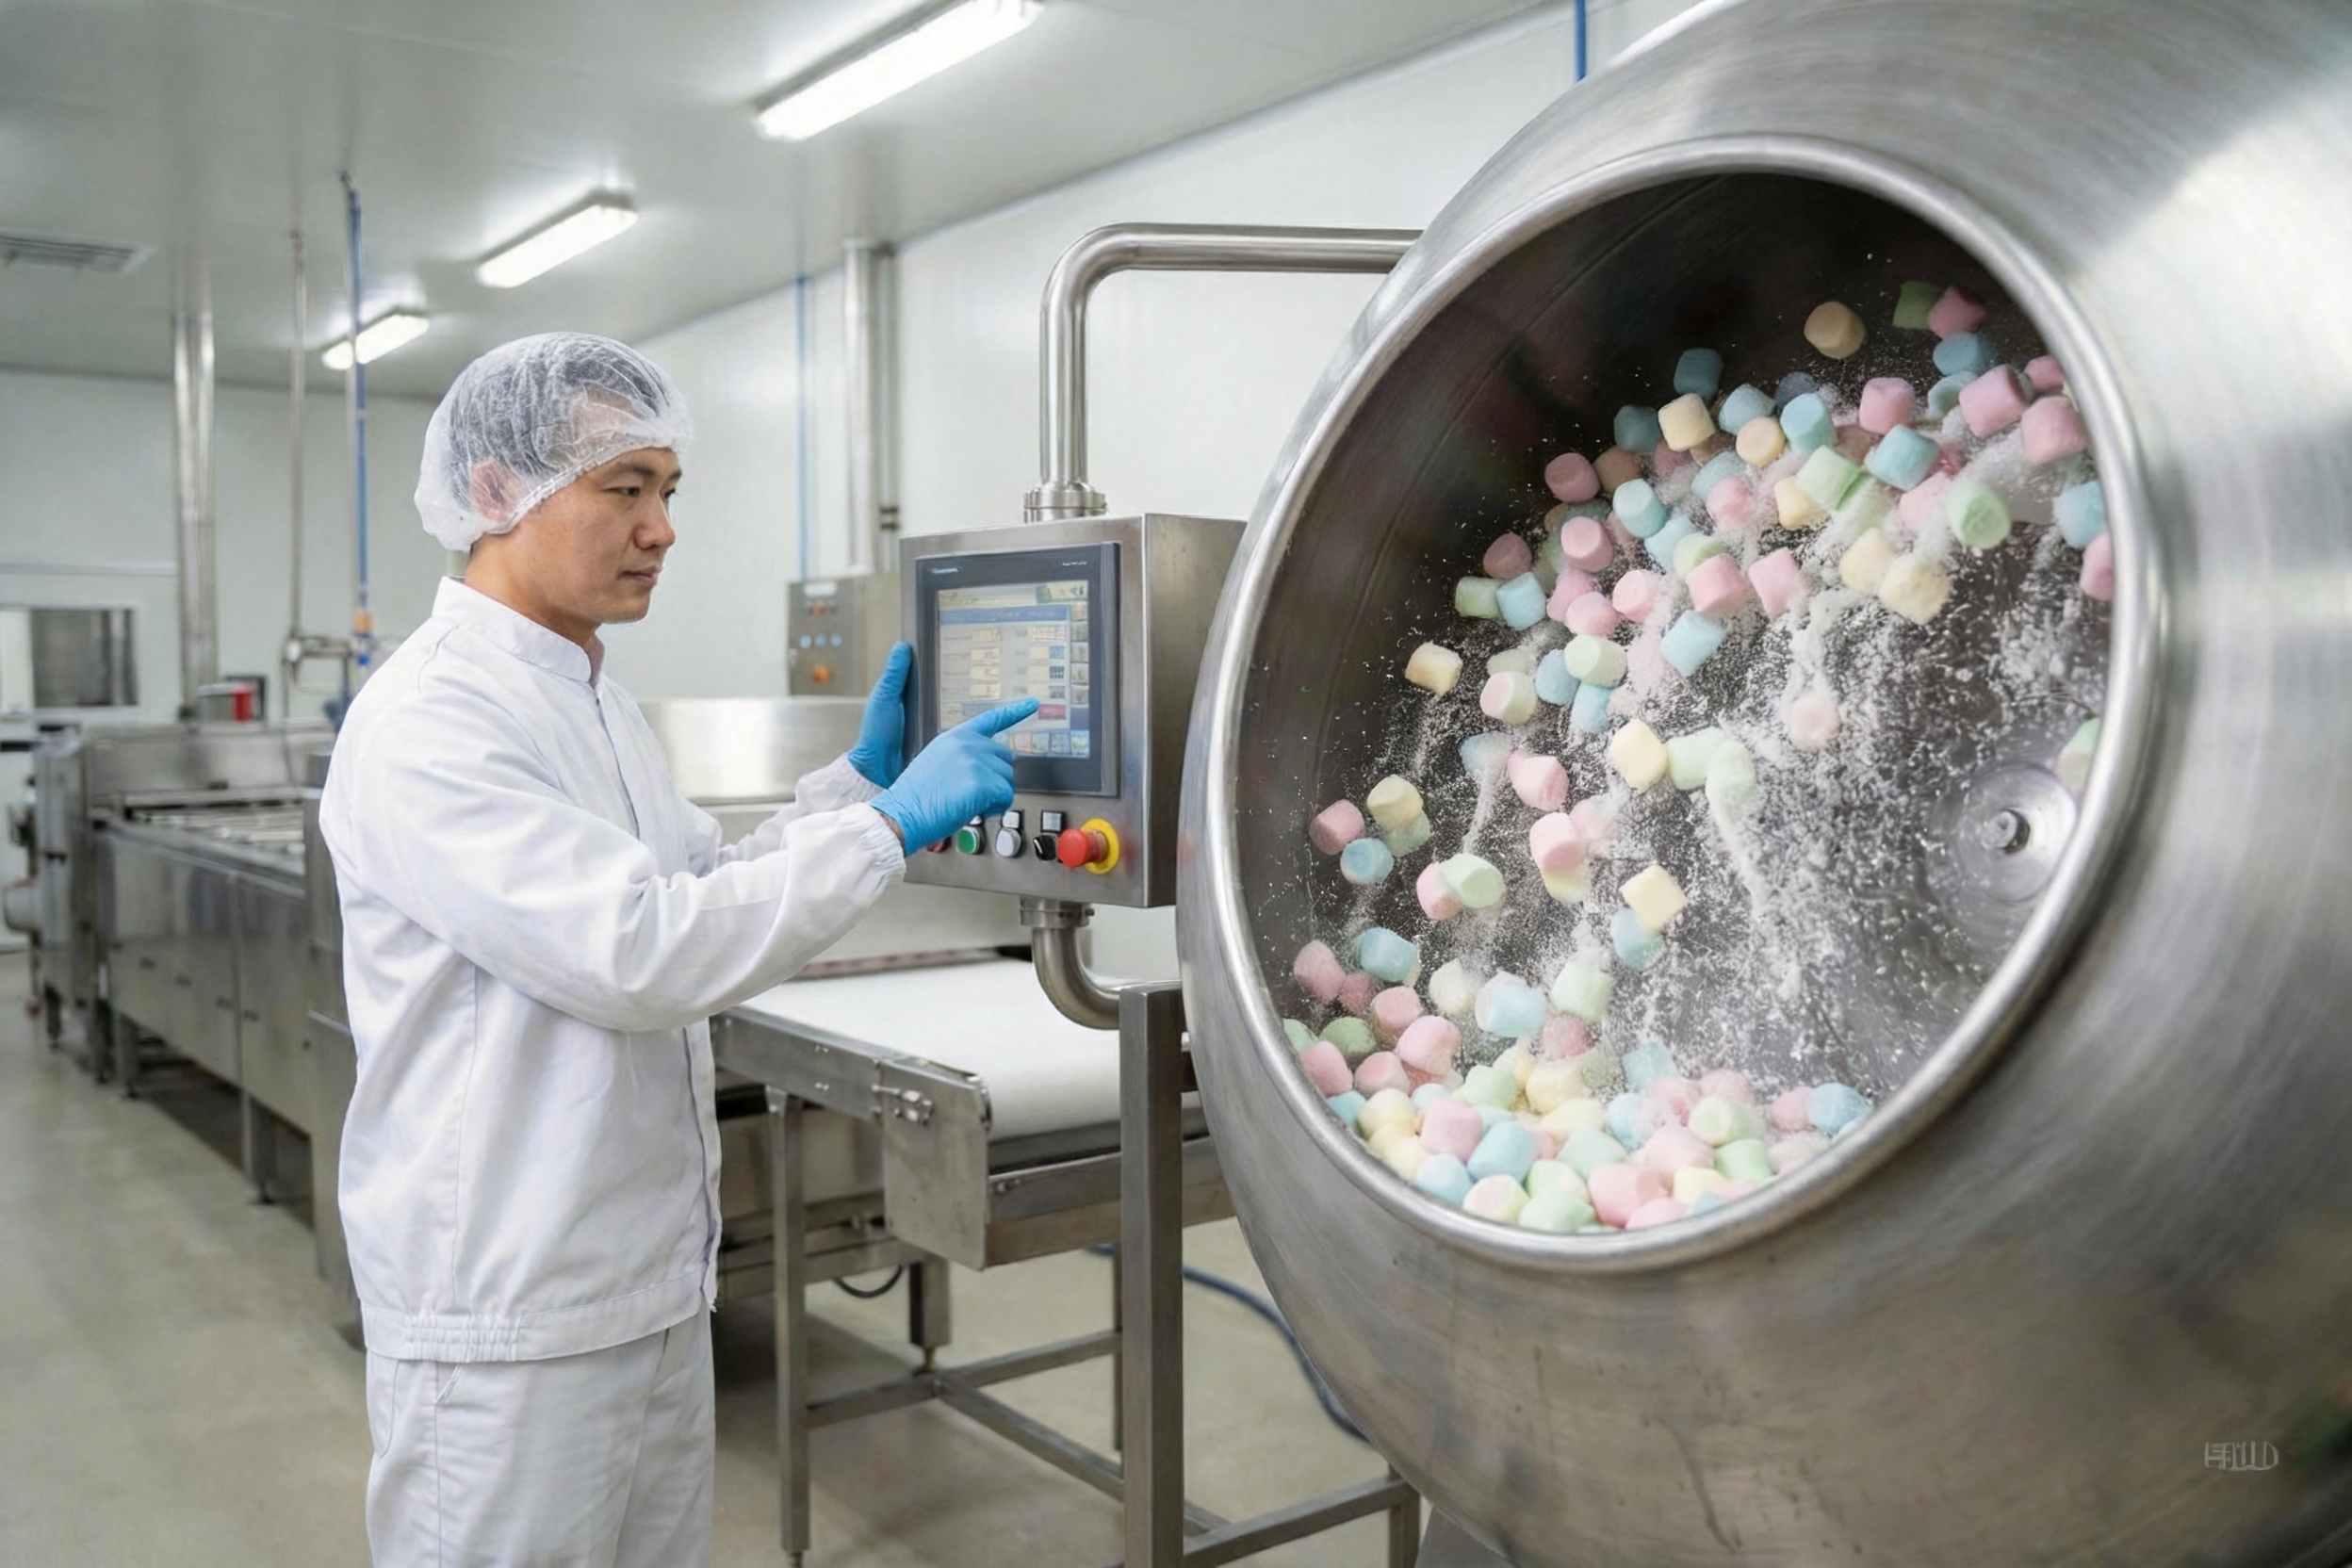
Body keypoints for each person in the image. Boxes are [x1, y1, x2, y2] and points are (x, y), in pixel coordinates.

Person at [320, 332, 1033, 1568]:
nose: (662, 529)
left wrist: (846, 790)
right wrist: (881, 828)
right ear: (497, 493)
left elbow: (690, 886)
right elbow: (639, 950)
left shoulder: (588, 692)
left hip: (641, 1281)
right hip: (510, 1312)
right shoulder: (431, 720)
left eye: (669, 490)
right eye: (624, 489)